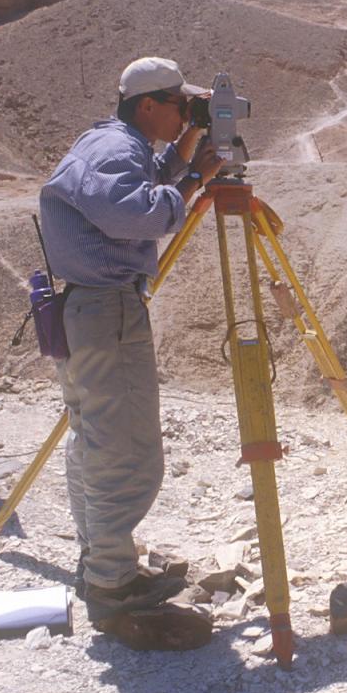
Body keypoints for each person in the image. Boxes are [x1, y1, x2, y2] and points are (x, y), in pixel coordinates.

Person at [41, 55, 224, 628]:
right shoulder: (117, 151)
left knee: (95, 441)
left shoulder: (115, 143)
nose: (182, 114)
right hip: (105, 314)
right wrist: (197, 181)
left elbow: (142, 181)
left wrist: (189, 146)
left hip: (89, 310)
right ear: (149, 105)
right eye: (178, 105)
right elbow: (132, 214)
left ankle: (105, 562)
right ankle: (113, 591)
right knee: (125, 452)